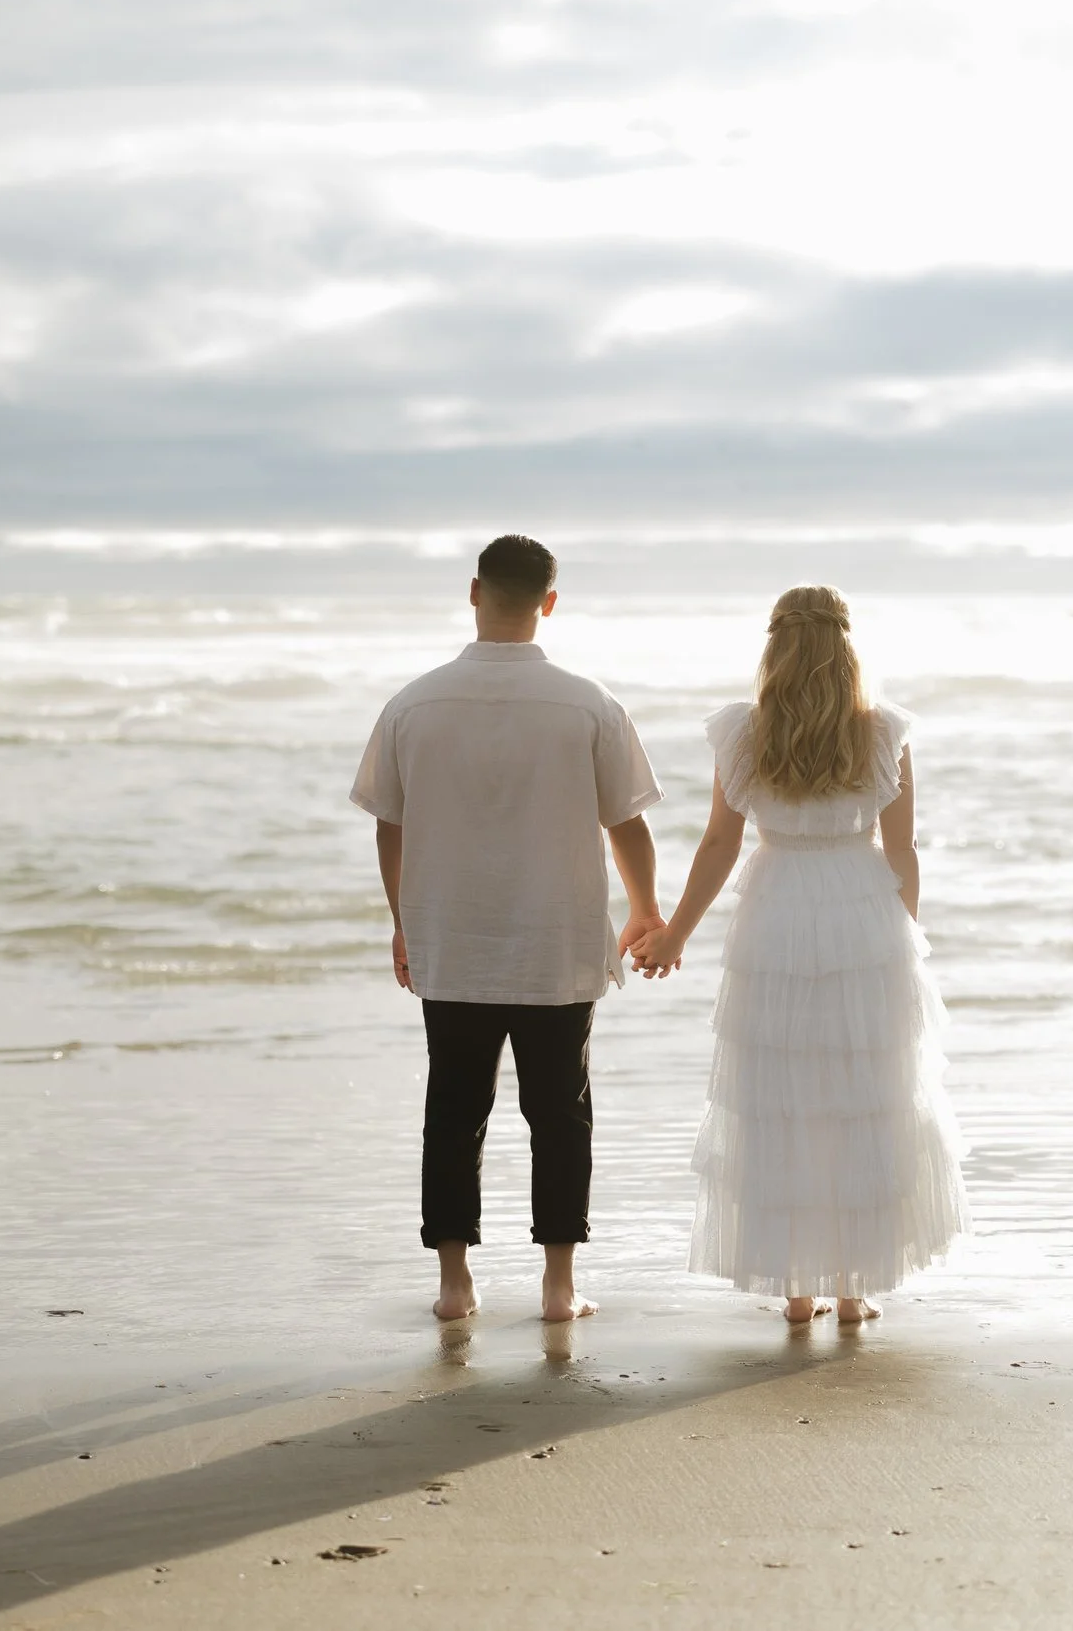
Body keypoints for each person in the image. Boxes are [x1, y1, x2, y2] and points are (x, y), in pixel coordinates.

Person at [350, 534, 664, 1324]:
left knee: (453, 1111)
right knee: (561, 1114)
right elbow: (625, 824)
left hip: (452, 939)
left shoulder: (412, 703)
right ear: (548, 602)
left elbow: (390, 826)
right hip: (556, 944)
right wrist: (646, 909)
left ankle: (454, 1285)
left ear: (473, 592)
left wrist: (402, 922)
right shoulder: (589, 702)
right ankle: (558, 1288)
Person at [631, 584, 966, 1324]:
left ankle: (797, 1289)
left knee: (781, 1098)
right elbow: (902, 850)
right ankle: (854, 1289)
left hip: (776, 911)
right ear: (847, 646)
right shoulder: (882, 733)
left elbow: (720, 844)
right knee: (861, 1095)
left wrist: (677, 932)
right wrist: (902, 938)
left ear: (774, 645)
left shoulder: (746, 734)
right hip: (863, 913)